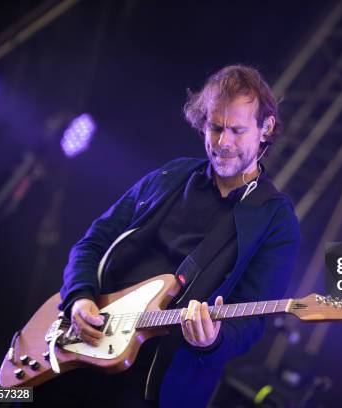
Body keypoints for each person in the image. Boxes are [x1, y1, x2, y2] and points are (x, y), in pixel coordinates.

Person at [35, 65, 300, 407]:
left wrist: (213, 341)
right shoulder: (171, 175)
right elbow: (94, 241)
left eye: (237, 130)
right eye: (215, 127)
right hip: (79, 348)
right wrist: (80, 296)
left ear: (266, 128)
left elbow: (252, 323)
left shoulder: (275, 220)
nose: (223, 142)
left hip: (151, 388)